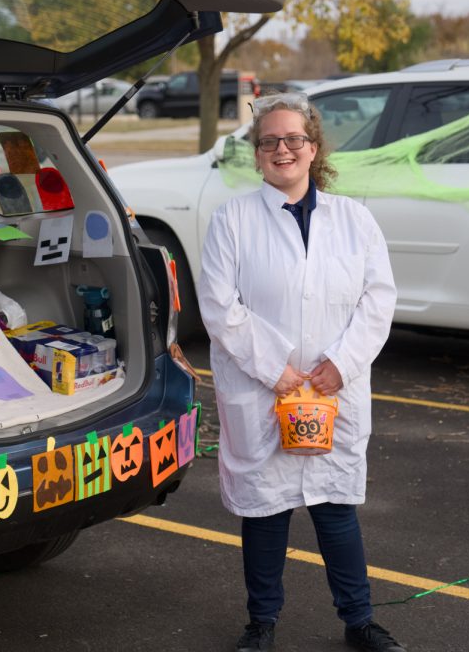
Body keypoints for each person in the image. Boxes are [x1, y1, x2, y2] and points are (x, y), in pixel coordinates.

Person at [197, 91, 402, 652]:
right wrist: (275, 370)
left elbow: (378, 300)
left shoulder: (355, 220)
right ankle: (260, 625)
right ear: (258, 154)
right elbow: (218, 306)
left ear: (312, 148)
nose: (282, 149)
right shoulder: (232, 220)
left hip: (335, 389)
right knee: (266, 513)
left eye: (293, 139)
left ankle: (359, 623)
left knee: (335, 509)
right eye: (270, 142)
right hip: (265, 391)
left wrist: (341, 363)